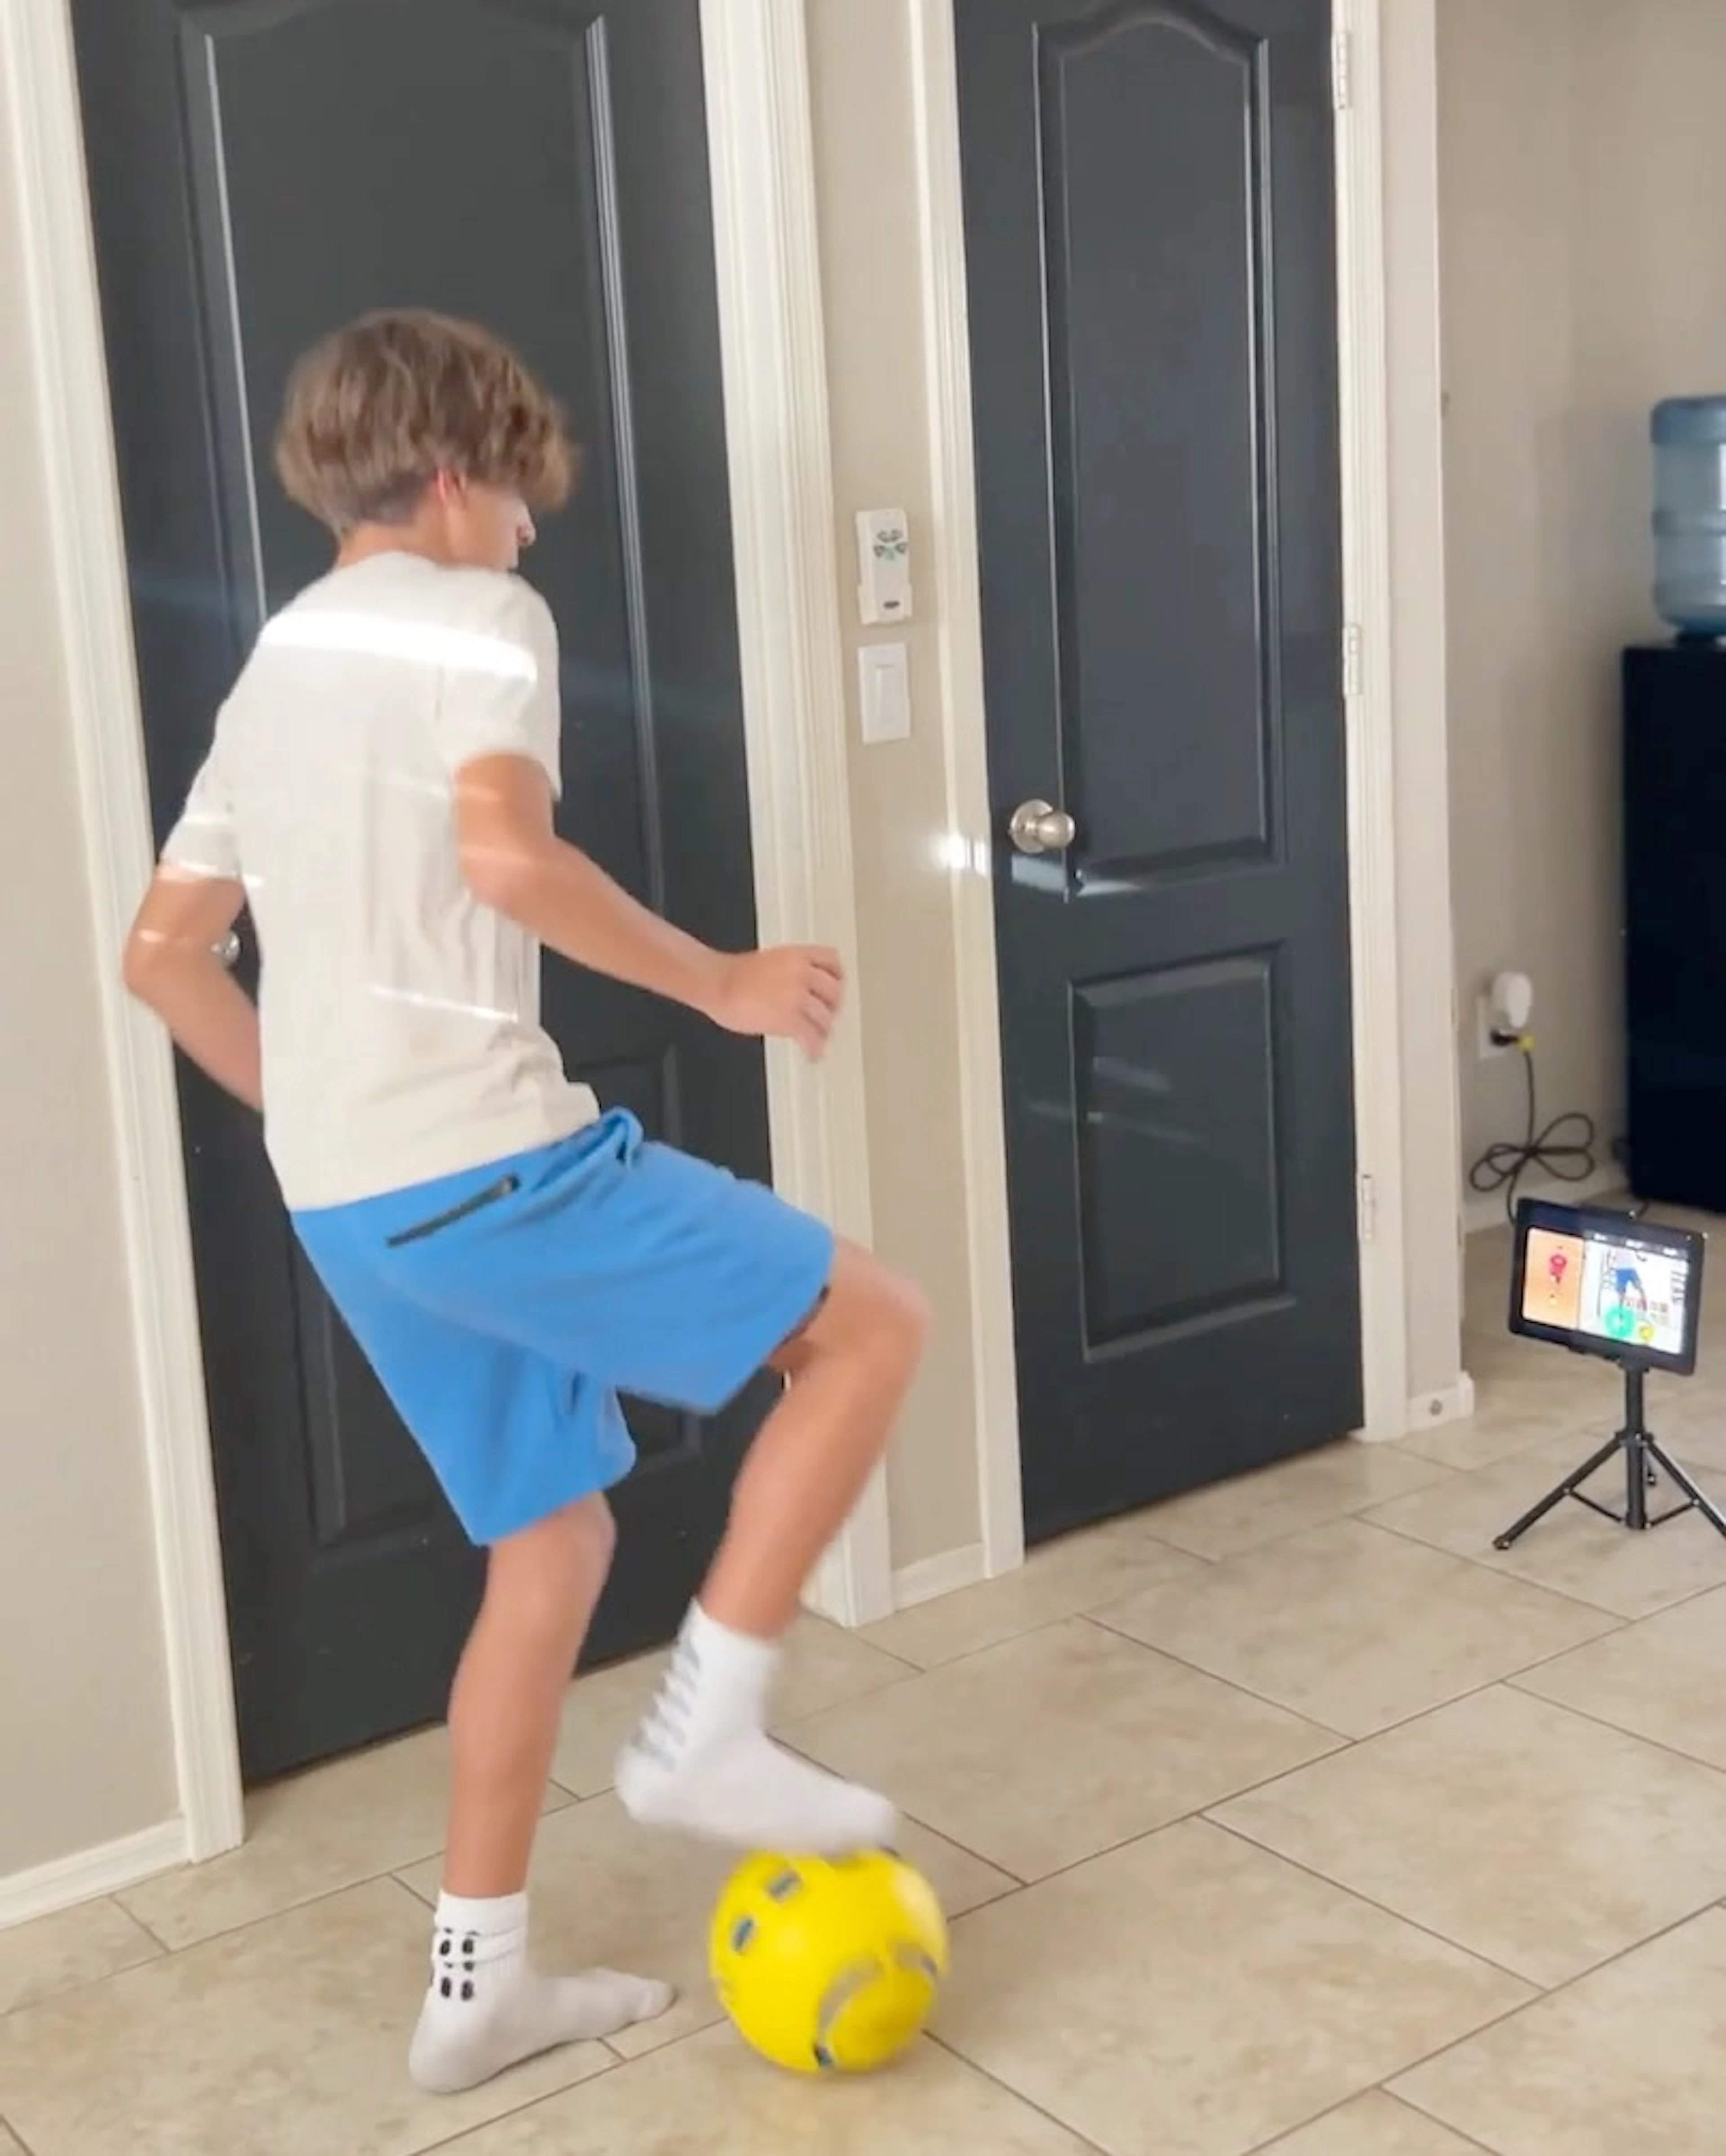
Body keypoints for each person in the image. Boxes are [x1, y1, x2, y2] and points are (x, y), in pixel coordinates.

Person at [121, 309, 929, 2095]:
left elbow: (164, 957)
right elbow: (505, 852)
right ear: (451, 475)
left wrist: (321, 1109)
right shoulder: (483, 619)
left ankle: (474, 1984)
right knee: (872, 1327)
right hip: (485, 1160)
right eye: (517, 496)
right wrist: (723, 980)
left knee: (550, 1545)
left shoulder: (271, 671)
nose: (531, 529)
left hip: (351, 1202)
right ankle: (712, 1723)